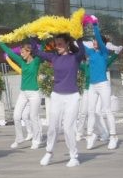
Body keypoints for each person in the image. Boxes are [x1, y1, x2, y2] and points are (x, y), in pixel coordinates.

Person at [32, 34, 85, 167]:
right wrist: (32, 37)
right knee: (53, 127)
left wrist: (78, 36)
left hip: (72, 96)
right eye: (56, 44)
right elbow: (36, 52)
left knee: (68, 127)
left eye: (60, 43)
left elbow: (83, 51)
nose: (58, 46)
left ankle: (74, 157)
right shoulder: (54, 57)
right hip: (56, 95)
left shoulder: (75, 57)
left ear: (67, 44)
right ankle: (49, 152)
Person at [0, 39, 43, 149]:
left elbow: (41, 48)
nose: (21, 54)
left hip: (34, 93)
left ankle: (37, 140)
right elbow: (10, 52)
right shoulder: (22, 61)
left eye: (23, 52)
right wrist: (0, 42)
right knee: (16, 116)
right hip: (23, 93)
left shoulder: (36, 61)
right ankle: (19, 138)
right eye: (20, 52)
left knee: (33, 117)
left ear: (29, 52)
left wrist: (42, 37)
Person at [84, 23, 119, 151]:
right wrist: (74, 30)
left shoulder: (104, 52)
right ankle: (90, 135)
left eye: (95, 40)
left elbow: (99, 38)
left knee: (107, 111)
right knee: (91, 111)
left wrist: (95, 26)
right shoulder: (90, 52)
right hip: (92, 86)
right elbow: (79, 43)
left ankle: (113, 136)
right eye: (93, 40)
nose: (93, 42)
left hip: (103, 85)